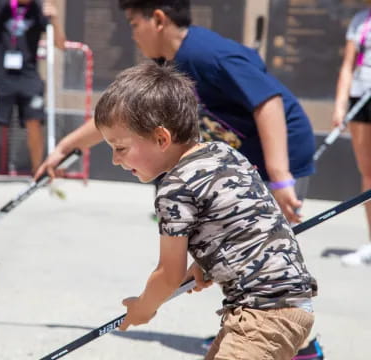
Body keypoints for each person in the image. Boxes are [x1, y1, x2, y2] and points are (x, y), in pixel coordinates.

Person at [94, 61, 317, 360]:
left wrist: (142, 308)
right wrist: (208, 263)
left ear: (162, 138)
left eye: (120, 147)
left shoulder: (174, 188)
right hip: (288, 304)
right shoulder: (224, 152)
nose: (114, 160)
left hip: (261, 314)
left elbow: (168, 274)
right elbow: (244, 222)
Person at [36, 0, 315, 226]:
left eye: (134, 25)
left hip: (281, 152)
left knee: (267, 253)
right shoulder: (168, 63)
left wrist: (280, 176)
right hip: (246, 159)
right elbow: (120, 115)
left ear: (158, 19)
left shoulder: (208, 54)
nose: (132, 35)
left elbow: (268, 102)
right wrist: (66, 146)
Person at [0, 0, 66, 174]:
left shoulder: (39, 9)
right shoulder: (1, 5)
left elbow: (61, 44)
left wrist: (56, 19)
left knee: (34, 122)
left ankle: (38, 170)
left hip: (28, 76)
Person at [332, 4, 371, 266]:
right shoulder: (360, 20)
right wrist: (340, 105)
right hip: (362, 98)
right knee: (368, 171)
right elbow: (348, 66)